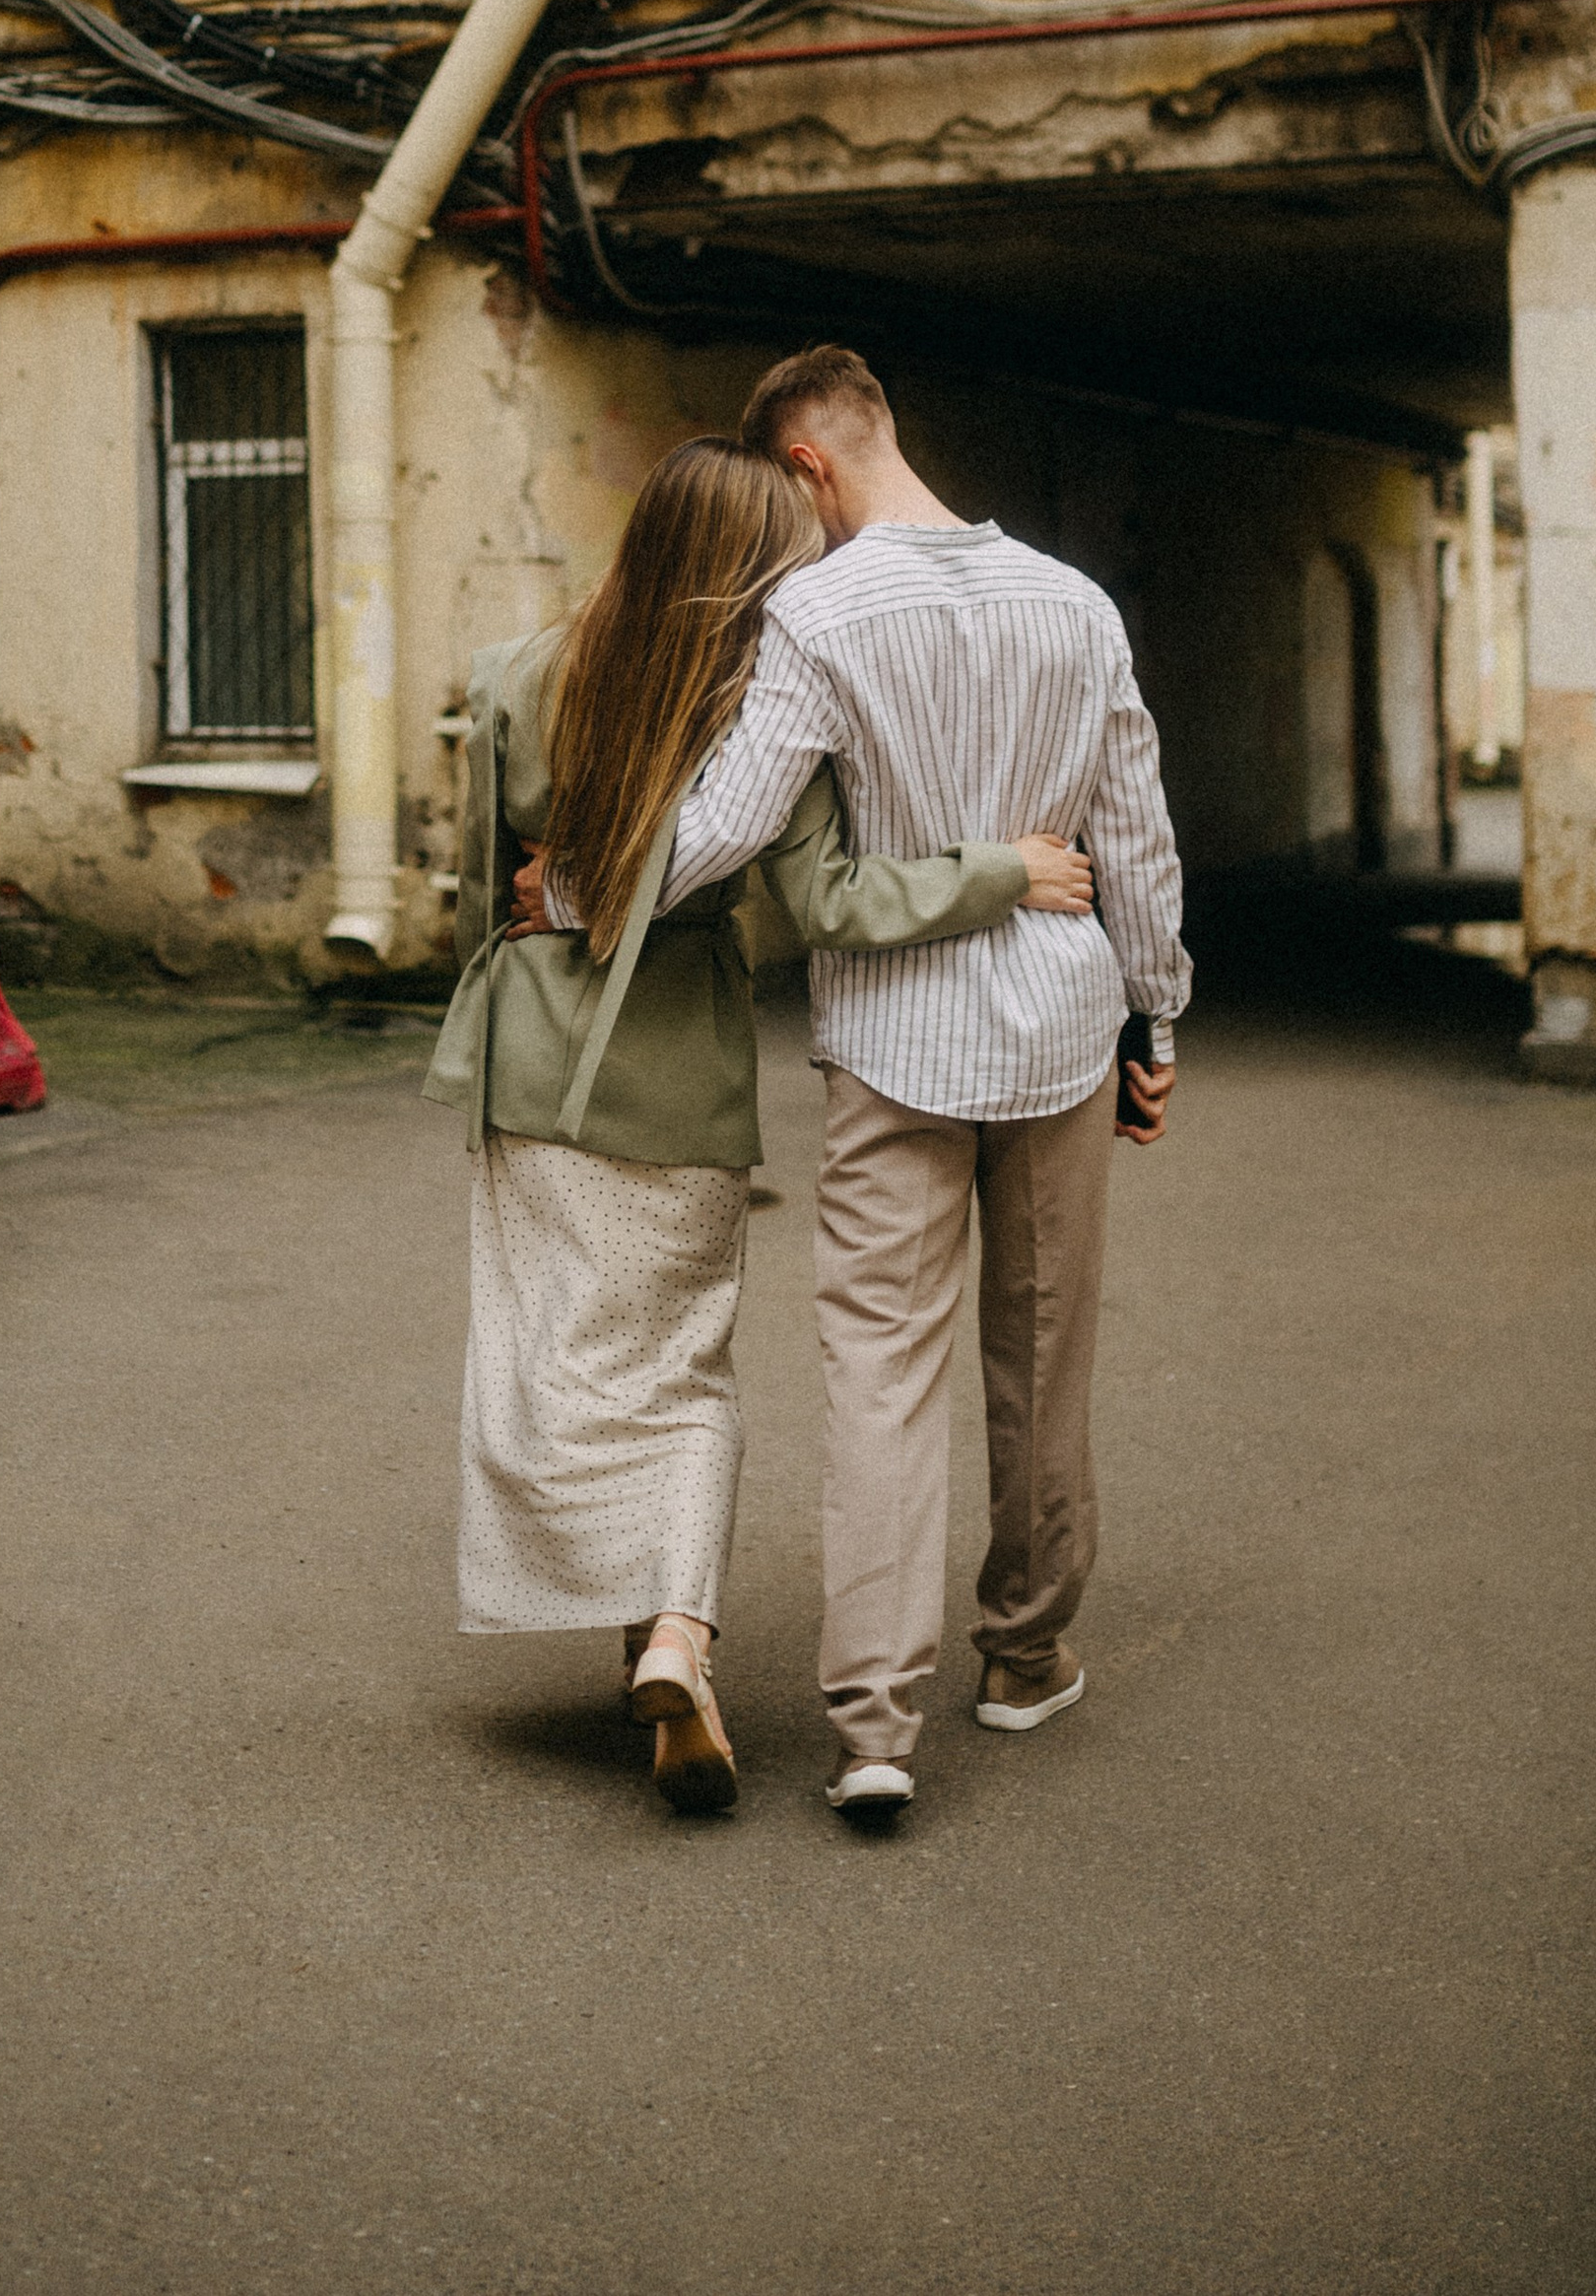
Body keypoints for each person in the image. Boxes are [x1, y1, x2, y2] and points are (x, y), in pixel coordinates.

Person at [423, 435, 1097, 1818]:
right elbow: (840, 904)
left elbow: (486, 883)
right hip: (676, 1081)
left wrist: (555, 905)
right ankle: (675, 1635)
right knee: (683, 1374)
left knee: (557, 1360)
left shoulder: (512, 676)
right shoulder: (760, 713)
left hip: (527, 1063)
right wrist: (1004, 873)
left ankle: (645, 1638)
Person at [605, 346, 1190, 1823]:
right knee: (1042, 1350)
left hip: (890, 1051)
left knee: (880, 1369)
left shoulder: (817, 611)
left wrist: (586, 888)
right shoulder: (1076, 601)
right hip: (1061, 1034)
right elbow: (1138, 833)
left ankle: (873, 1728)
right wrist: (1157, 1018)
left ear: (804, 464)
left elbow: (729, 826)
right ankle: (1025, 1655)